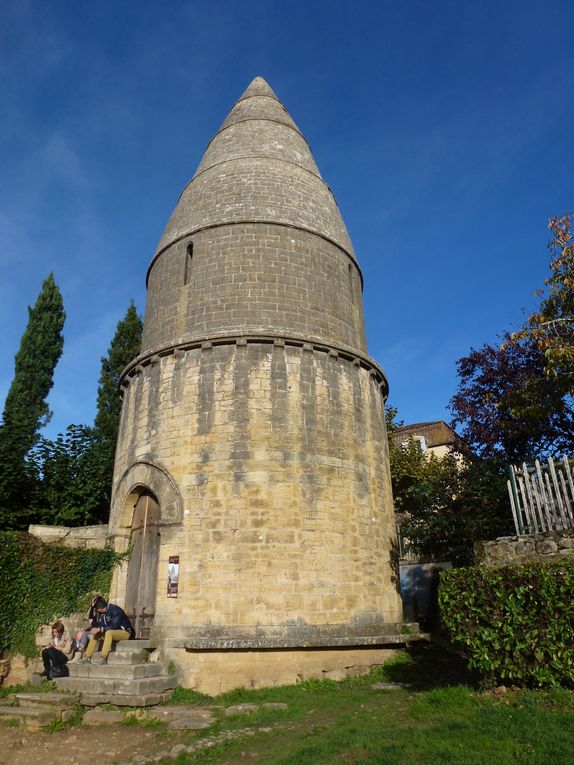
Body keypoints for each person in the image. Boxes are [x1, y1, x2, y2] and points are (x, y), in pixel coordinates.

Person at [82, 597, 133, 664]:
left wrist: (100, 629)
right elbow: (99, 625)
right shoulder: (103, 613)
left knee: (109, 632)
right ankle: (87, 657)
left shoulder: (116, 610)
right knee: (96, 633)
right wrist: (96, 629)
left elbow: (114, 626)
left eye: (96, 609)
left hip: (125, 632)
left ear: (99, 609)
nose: (97, 611)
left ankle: (103, 658)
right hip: (112, 632)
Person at [72, 596, 99, 660]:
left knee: (84, 634)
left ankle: (79, 653)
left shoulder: (102, 614)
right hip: (92, 632)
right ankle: (77, 652)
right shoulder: (95, 613)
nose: (93, 605)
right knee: (81, 634)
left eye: (95, 603)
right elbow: (91, 621)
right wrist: (92, 607)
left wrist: (84, 632)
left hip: (98, 633)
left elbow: (96, 625)